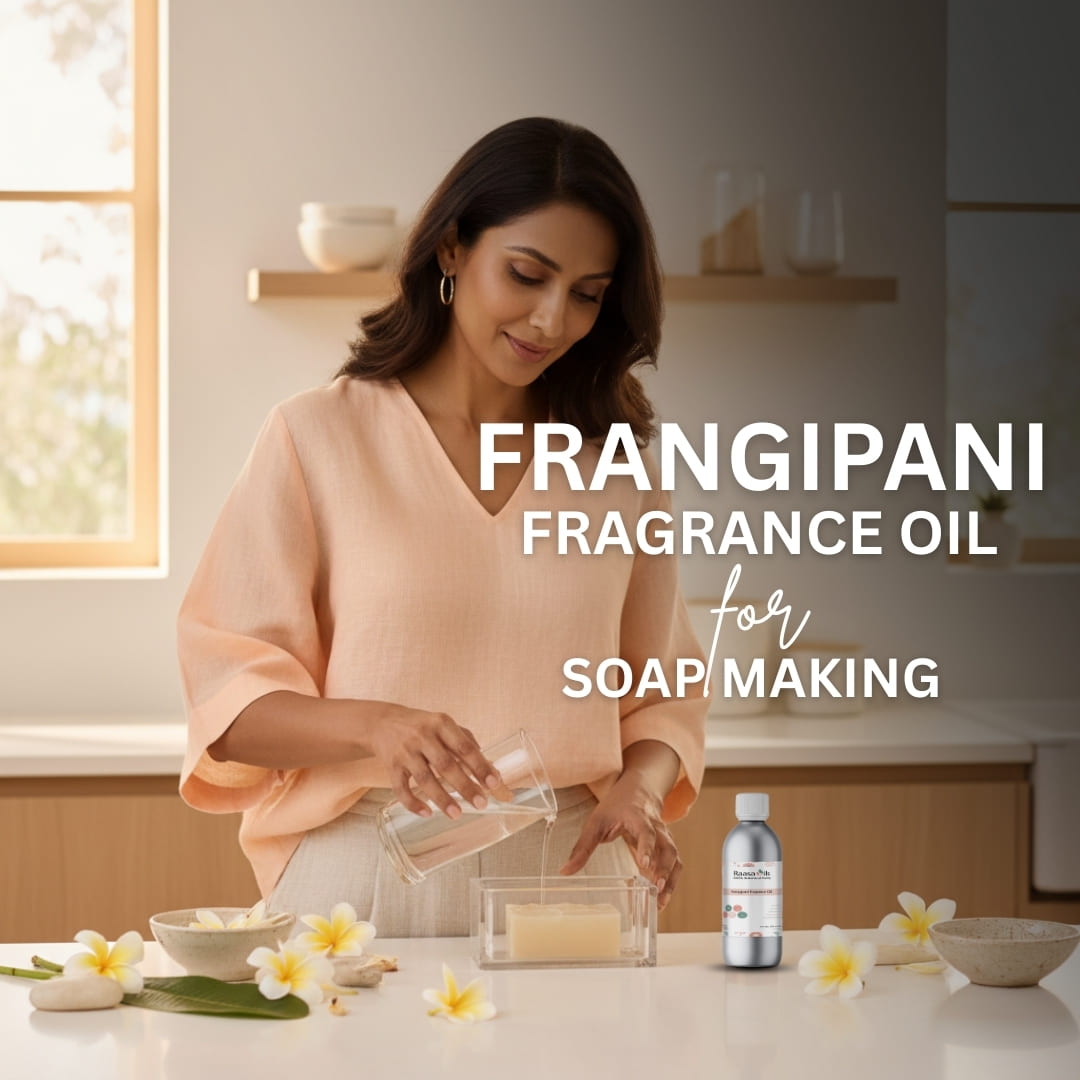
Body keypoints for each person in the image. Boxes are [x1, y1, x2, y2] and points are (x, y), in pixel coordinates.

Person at [177, 116, 707, 937]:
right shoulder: (316, 437)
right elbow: (229, 709)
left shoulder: (620, 470)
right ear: (453, 249)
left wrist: (640, 790)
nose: (550, 319)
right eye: (527, 274)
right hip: (362, 877)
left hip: (569, 881)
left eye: (588, 295)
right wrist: (377, 725)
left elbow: (662, 699)